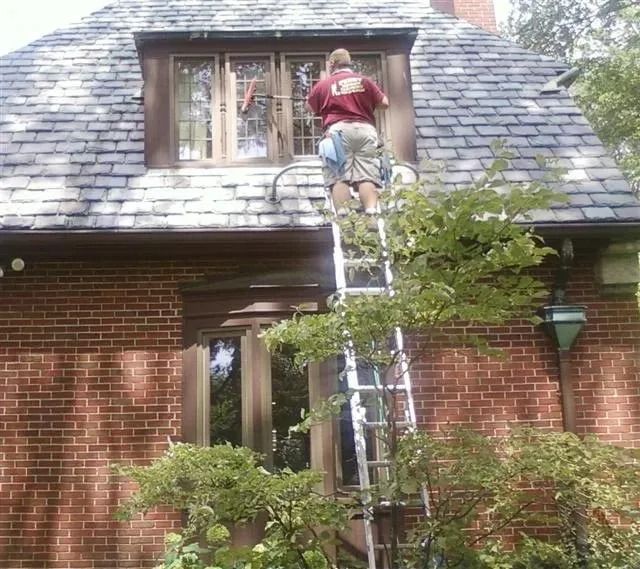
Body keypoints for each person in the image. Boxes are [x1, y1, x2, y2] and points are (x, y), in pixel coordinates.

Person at [306, 48, 389, 215]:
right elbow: (385, 103)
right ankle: (371, 211)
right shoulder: (364, 81)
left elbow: (309, 107)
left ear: (332, 64)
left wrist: (324, 102)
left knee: (338, 175)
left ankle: (343, 213)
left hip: (339, 132)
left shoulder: (324, 85)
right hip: (365, 131)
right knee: (367, 175)